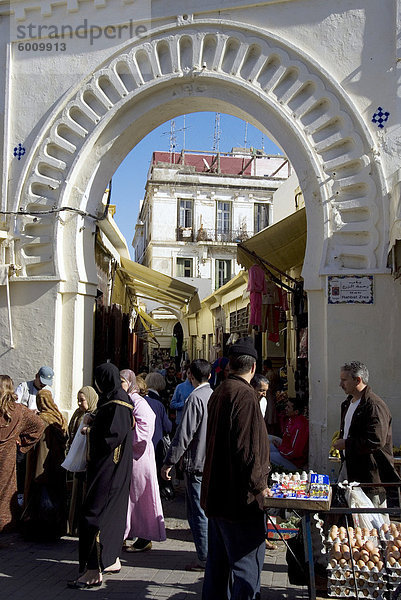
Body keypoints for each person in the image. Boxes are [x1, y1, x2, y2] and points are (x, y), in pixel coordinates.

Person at [201, 337, 271, 600]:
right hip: (237, 501)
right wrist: (260, 488)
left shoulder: (219, 391)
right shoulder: (245, 396)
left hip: (218, 496)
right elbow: (249, 450)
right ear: (253, 368)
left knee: (218, 569)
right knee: (245, 569)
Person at [68, 363, 134, 589]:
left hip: (108, 469)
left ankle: (92, 571)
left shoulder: (117, 402)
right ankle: (111, 560)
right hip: (115, 469)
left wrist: (90, 430)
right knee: (110, 514)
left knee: (93, 516)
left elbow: (111, 436)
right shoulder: (116, 398)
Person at [161, 359, 213, 572]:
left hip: (197, 463)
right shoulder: (214, 396)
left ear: (190, 375)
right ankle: (211, 554)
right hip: (212, 462)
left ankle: (204, 557)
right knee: (207, 512)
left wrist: (169, 461)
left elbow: (184, 434)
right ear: (209, 376)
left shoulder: (195, 399)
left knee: (198, 512)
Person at [333, 361, 400, 508]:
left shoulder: (374, 406)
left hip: (371, 477)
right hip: (351, 471)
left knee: (373, 523)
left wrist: (346, 444)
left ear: (358, 380)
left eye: (344, 380)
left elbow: (376, 440)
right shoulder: (348, 403)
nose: (340, 384)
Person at [120, 369, 166, 554]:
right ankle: (125, 534)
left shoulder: (138, 402)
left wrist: (127, 441)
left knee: (140, 498)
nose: (120, 384)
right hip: (131, 457)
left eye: (123, 381)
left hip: (138, 458)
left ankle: (143, 536)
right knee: (129, 499)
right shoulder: (127, 400)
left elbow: (146, 427)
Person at [21, 389, 68, 541]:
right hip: (57, 465)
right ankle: (55, 530)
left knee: (43, 500)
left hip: (43, 466)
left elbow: (39, 446)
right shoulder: (59, 417)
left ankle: (43, 533)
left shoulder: (42, 419)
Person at [0, 375, 45, 533]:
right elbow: (39, 426)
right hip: (7, 457)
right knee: (6, 491)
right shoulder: (19, 411)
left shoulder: (17, 411)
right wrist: (23, 442)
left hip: (8, 455)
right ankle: (5, 526)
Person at [15, 366, 54, 500]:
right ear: (36, 376)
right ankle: (20, 492)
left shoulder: (48, 391)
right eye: (41, 381)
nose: (43, 385)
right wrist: (29, 413)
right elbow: (16, 408)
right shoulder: (24, 387)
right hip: (22, 435)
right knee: (21, 463)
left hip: (39, 436)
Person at [67, 386, 99, 536]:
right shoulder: (78, 414)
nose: (79, 403)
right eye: (78, 400)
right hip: (76, 460)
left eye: (82, 400)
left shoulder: (96, 415)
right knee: (76, 493)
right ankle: (73, 526)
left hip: (87, 461)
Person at [269, 397, 309, 471]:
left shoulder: (299, 426)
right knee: (267, 440)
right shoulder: (291, 419)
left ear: (296, 412)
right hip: (285, 450)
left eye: (288, 407)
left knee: (266, 456)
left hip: (294, 461)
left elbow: (295, 452)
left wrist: (280, 448)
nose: (286, 408)